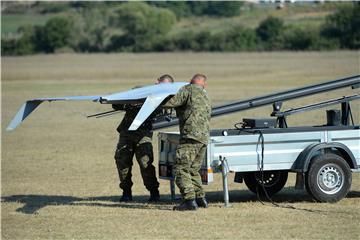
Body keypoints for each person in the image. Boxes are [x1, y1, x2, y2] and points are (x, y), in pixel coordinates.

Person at [113, 74, 175, 202]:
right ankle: (126, 192)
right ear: (156, 82)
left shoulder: (168, 98)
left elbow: (171, 114)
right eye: (162, 85)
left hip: (143, 136)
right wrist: (129, 103)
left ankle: (154, 192)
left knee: (145, 164)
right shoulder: (140, 91)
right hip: (126, 134)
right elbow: (116, 104)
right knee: (122, 163)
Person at [163, 74, 211, 211]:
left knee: (180, 168)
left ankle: (189, 201)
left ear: (190, 81)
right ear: (204, 84)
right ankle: (200, 198)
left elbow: (170, 102)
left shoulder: (188, 89)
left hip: (190, 136)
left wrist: (153, 98)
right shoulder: (206, 94)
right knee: (193, 169)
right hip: (203, 138)